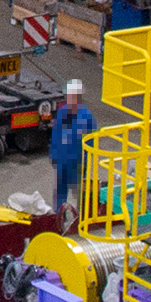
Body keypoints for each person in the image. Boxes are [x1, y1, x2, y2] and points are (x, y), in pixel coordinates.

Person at [48, 78, 94, 226]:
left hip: (78, 161)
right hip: (63, 159)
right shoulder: (62, 113)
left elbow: (91, 141)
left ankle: (83, 219)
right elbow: (55, 135)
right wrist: (54, 154)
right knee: (61, 190)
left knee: (80, 191)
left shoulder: (87, 117)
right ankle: (59, 217)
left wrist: (86, 160)